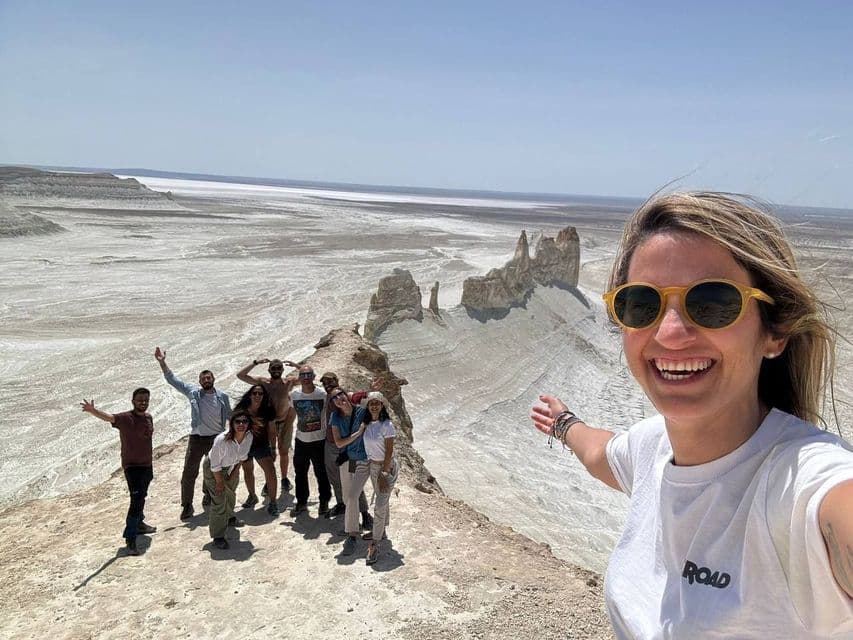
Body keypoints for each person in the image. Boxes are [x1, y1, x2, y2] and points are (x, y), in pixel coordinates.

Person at [531, 192, 853, 638]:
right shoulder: (650, 447)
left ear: (775, 333)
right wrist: (565, 424)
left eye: (715, 303)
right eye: (641, 304)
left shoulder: (803, 484)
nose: (670, 333)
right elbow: (601, 452)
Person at [155, 347, 231, 520]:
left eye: (208, 378)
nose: (206, 380)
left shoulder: (222, 396)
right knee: (189, 473)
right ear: (199, 381)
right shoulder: (193, 392)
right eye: (203, 379)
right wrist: (162, 362)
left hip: (216, 439)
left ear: (213, 379)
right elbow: (172, 379)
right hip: (197, 439)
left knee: (213, 470)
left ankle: (207, 494)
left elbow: (230, 415)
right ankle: (187, 505)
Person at [80, 389, 157, 556]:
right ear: (133, 401)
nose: (143, 403)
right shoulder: (125, 418)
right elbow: (109, 418)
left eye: (145, 400)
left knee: (141, 496)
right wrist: (93, 411)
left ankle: (140, 524)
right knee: (136, 500)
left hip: (147, 465)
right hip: (132, 467)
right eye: (139, 400)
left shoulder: (149, 417)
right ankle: (130, 539)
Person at [348, 391, 399, 565]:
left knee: (379, 504)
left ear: (382, 406)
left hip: (386, 468)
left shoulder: (387, 425)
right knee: (382, 501)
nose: (374, 406)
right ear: (368, 407)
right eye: (371, 403)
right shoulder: (368, 424)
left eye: (377, 403)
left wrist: (384, 474)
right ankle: (381, 531)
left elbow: (389, 451)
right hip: (372, 466)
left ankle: (375, 543)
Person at [237, 358, 298, 493]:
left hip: (284, 422)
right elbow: (240, 375)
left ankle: (284, 478)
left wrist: (296, 365)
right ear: (269, 370)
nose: (276, 371)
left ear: (282, 370)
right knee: (268, 453)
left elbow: (310, 377)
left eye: (278, 368)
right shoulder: (263, 382)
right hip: (266, 423)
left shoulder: (288, 383)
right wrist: (255, 363)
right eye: (273, 368)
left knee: (283, 451)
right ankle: (268, 481)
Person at [327, 386, 374, 555]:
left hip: (362, 459)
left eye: (341, 394)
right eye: (334, 398)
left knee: (353, 495)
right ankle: (356, 524)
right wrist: (358, 432)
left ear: (346, 395)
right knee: (348, 496)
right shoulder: (335, 417)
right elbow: (339, 443)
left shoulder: (362, 411)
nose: (339, 398)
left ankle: (352, 533)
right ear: (333, 403)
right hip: (348, 459)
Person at [319, 371, 371, 518]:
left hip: (350, 449)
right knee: (335, 478)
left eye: (330, 381)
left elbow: (357, 396)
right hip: (331, 446)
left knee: (354, 479)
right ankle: (341, 503)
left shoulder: (343, 396)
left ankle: (364, 513)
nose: (328, 385)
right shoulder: (328, 397)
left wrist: (370, 389)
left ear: (337, 380)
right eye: (325, 383)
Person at [203, 410, 253, 550]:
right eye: (238, 421)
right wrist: (219, 482)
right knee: (219, 500)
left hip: (231, 466)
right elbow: (215, 465)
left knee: (231, 493)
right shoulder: (221, 439)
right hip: (214, 469)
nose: (241, 424)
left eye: (245, 421)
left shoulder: (249, 437)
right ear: (232, 424)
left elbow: (243, 457)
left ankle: (230, 517)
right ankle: (218, 536)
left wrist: (235, 472)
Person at [290, 365, 332, 516]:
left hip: (319, 441)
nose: (306, 377)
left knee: (321, 473)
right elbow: (285, 413)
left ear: (314, 376)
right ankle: (301, 503)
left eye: (309, 374)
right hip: (301, 441)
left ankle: (324, 502)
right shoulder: (294, 395)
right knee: (300, 473)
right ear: (299, 378)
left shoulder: (323, 394)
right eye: (303, 375)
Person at [234, 385, 279, 516]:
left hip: (261, 445)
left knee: (270, 471)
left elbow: (272, 430)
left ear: (264, 396)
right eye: (255, 393)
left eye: (260, 393)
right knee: (248, 471)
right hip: (244, 446)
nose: (257, 395)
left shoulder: (268, 410)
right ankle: (252, 496)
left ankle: (273, 502)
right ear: (250, 394)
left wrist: (273, 447)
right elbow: (235, 427)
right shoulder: (241, 409)